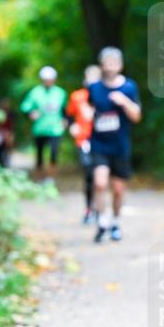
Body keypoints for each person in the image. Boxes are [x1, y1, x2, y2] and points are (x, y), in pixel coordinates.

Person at [88, 47, 141, 243]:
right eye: (106, 63)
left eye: (114, 63)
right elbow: (88, 111)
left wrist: (124, 102)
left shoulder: (129, 87)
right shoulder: (94, 88)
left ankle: (115, 222)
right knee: (100, 183)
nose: (110, 67)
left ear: (120, 65)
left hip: (120, 145)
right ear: (101, 65)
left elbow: (137, 116)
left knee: (118, 189)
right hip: (99, 143)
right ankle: (102, 221)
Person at [66, 65, 102, 224]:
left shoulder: (104, 96)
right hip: (84, 140)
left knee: (101, 177)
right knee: (89, 173)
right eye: (90, 78)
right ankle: (89, 208)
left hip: (102, 141)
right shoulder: (77, 96)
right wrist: (71, 125)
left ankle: (99, 209)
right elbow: (68, 115)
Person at [20, 66, 67, 182]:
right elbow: (25, 107)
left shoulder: (60, 93)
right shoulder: (35, 92)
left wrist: (66, 120)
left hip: (56, 129)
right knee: (39, 155)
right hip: (40, 129)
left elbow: (65, 109)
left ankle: (51, 178)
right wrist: (30, 113)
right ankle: (39, 178)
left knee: (54, 154)